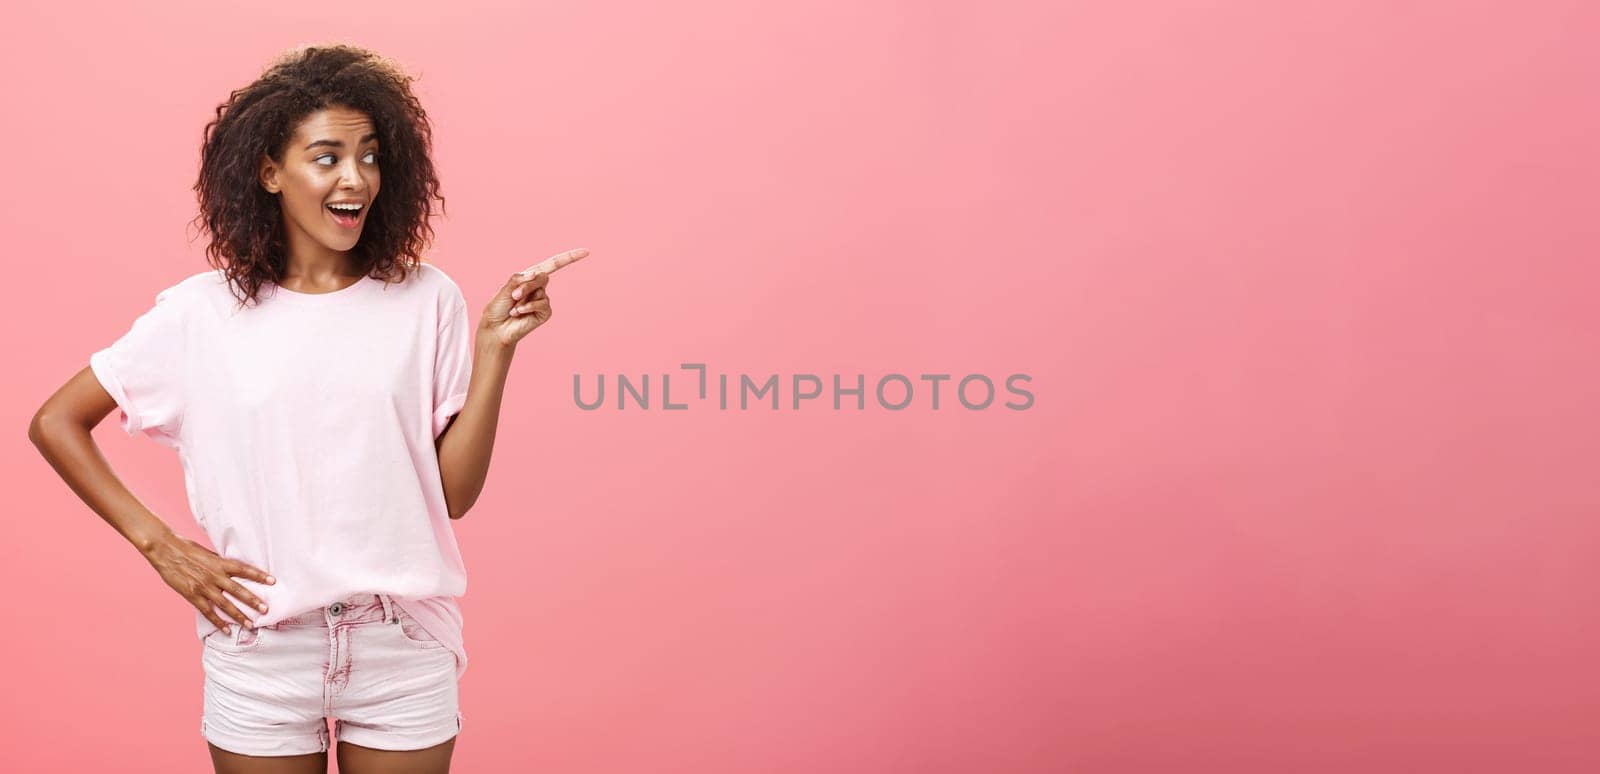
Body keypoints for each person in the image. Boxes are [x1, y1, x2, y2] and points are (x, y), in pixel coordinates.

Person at [26, 43, 588, 774]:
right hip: (261, 646)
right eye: (326, 157)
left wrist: (495, 350)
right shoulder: (200, 315)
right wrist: (161, 547)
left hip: (401, 644)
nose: (356, 177)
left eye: (370, 155)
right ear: (269, 172)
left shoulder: (427, 299)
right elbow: (55, 421)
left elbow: (452, 496)